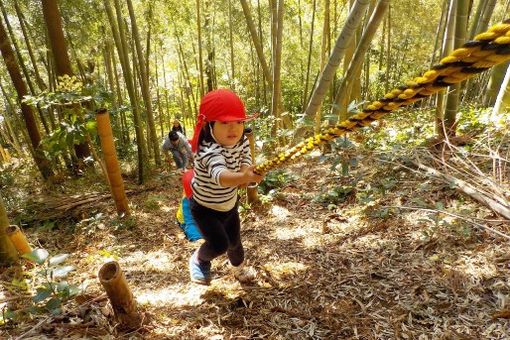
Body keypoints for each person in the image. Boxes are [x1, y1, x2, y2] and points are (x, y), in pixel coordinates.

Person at [187, 88, 263, 285]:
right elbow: (221, 176)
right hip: (205, 209)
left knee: (235, 243)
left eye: (238, 122)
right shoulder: (207, 150)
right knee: (219, 244)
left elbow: (245, 160)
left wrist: (247, 175)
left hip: (229, 204)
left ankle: (237, 270)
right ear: (209, 124)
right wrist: (243, 177)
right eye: (225, 123)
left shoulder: (242, 141)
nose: (234, 129)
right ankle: (199, 259)